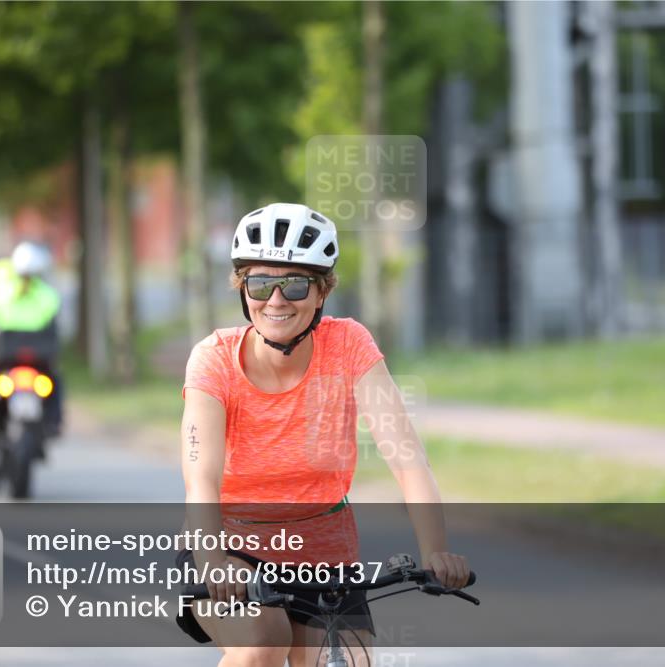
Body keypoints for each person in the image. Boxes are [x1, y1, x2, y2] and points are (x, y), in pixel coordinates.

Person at [179, 203, 470, 667]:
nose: (276, 300)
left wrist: (435, 550)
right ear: (242, 289)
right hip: (231, 548)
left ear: (321, 293)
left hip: (326, 560)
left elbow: (407, 457)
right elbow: (202, 478)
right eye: (260, 283)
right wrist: (212, 561)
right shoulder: (213, 360)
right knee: (263, 642)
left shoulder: (349, 345)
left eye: (295, 284)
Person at [0, 241, 63, 445]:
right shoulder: (47, 295)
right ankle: (53, 422)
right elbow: (53, 330)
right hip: (36, 362)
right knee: (57, 383)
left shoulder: (1, 291)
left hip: (3, 361)